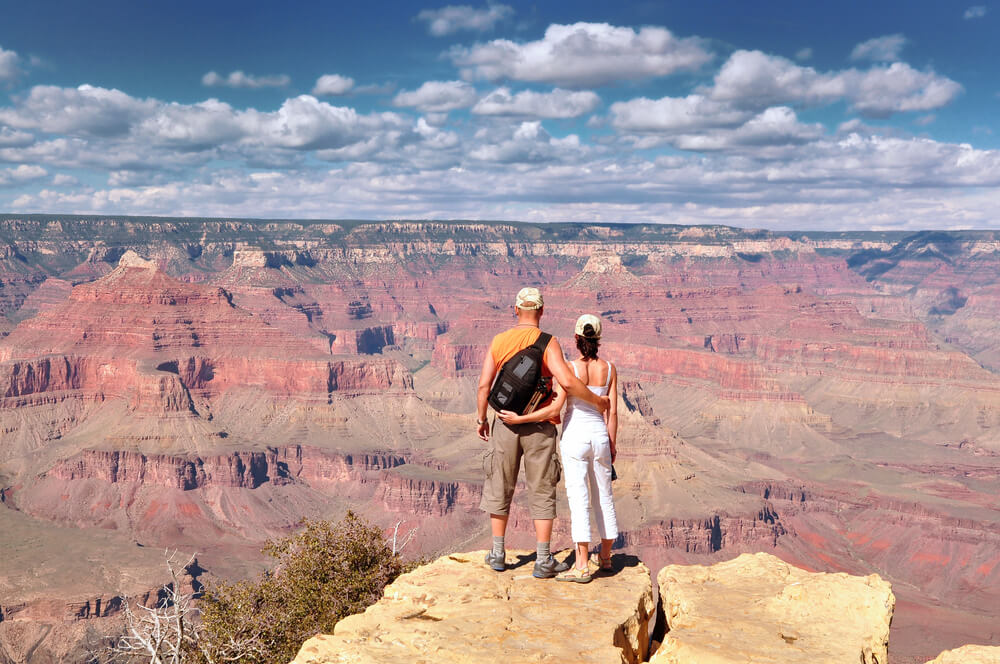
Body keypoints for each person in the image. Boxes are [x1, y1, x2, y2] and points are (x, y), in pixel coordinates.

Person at [477, 288, 610, 578]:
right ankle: (543, 559)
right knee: (542, 488)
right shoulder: (548, 342)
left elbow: (484, 385)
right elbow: (568, 382)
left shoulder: (499, 340)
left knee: (500, 483)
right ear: (541, 311)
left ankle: (497, 553)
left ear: (516, 310)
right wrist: (598, 402)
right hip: (539, 426)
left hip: (505, 422)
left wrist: (481, 419)